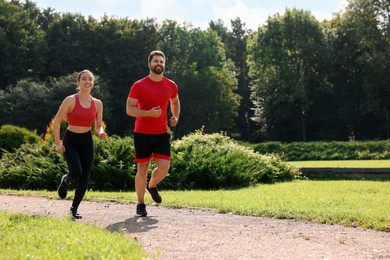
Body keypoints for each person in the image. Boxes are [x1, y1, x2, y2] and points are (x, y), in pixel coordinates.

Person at [126, 50, 180, 217]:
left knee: (164, 168)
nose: (159, 64)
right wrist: (149, 113)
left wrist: (175, 116)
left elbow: (175, 102)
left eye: (161, 61)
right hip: (142, 133)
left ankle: (152, 185)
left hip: (161, 132)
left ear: (164, 64)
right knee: (142, 167)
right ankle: (140, 205)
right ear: (149, 64)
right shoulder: (139, 85)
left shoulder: (171, 85)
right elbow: (130, 109)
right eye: (155, 61)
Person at [53, 69, 107, 219]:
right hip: (71, 141)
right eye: (84, 79)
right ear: (78, 82)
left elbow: (98, 125)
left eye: (90, 79)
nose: (87, 81)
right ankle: (66, 180)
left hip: (86, 141)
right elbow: (57, 121)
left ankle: (73, 209)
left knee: (85, 177)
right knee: (76, 172)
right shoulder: (70, 100)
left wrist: (100, 132)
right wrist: (58, 143)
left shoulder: (97, 103)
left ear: (93, 83)